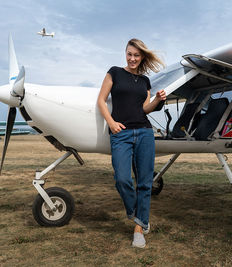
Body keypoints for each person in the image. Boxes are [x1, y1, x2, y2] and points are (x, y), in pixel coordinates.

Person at [97, 38, 166, 248]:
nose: (133, 58)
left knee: (145, 183)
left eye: (137, 55)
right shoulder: (114, 72)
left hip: (145, 132)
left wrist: (157, 100)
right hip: (121, 133)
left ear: (142, 56)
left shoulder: (145, 81)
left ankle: (139, 230)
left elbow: (145, 108)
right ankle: (138, 215)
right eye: (129, 54)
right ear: (125, 54)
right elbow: (101, 100)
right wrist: (111, 122)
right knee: (122, 179)